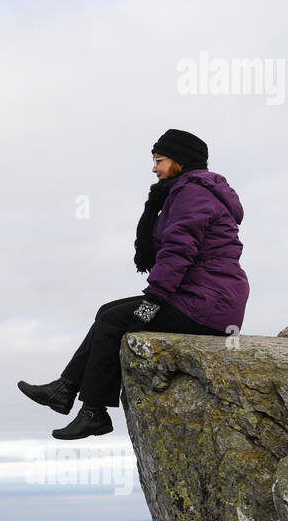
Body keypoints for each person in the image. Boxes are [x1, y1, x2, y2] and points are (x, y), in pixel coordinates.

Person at [18, 128, 250, 440]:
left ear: (180, 161)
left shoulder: (192, 194)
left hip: (206, 307)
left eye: (160, 160)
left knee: (116, 320)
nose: (155, 168)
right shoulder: (186, 191)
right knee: (108, 311)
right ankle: (65, 389)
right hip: (200, 298)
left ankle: (93, 412)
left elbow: (179, 250)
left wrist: (154, 297)